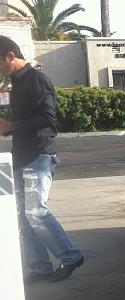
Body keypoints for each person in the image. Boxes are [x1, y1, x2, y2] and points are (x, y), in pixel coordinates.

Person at [0, 35, 83, 283]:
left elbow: (49, 122)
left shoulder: (37, 80)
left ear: (10, 57)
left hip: (39, 154)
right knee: (22, 216)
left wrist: (12, 125)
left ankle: (70, 256)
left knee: (35, 212)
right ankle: (40, 267)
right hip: (20, 156)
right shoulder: (15, 83)